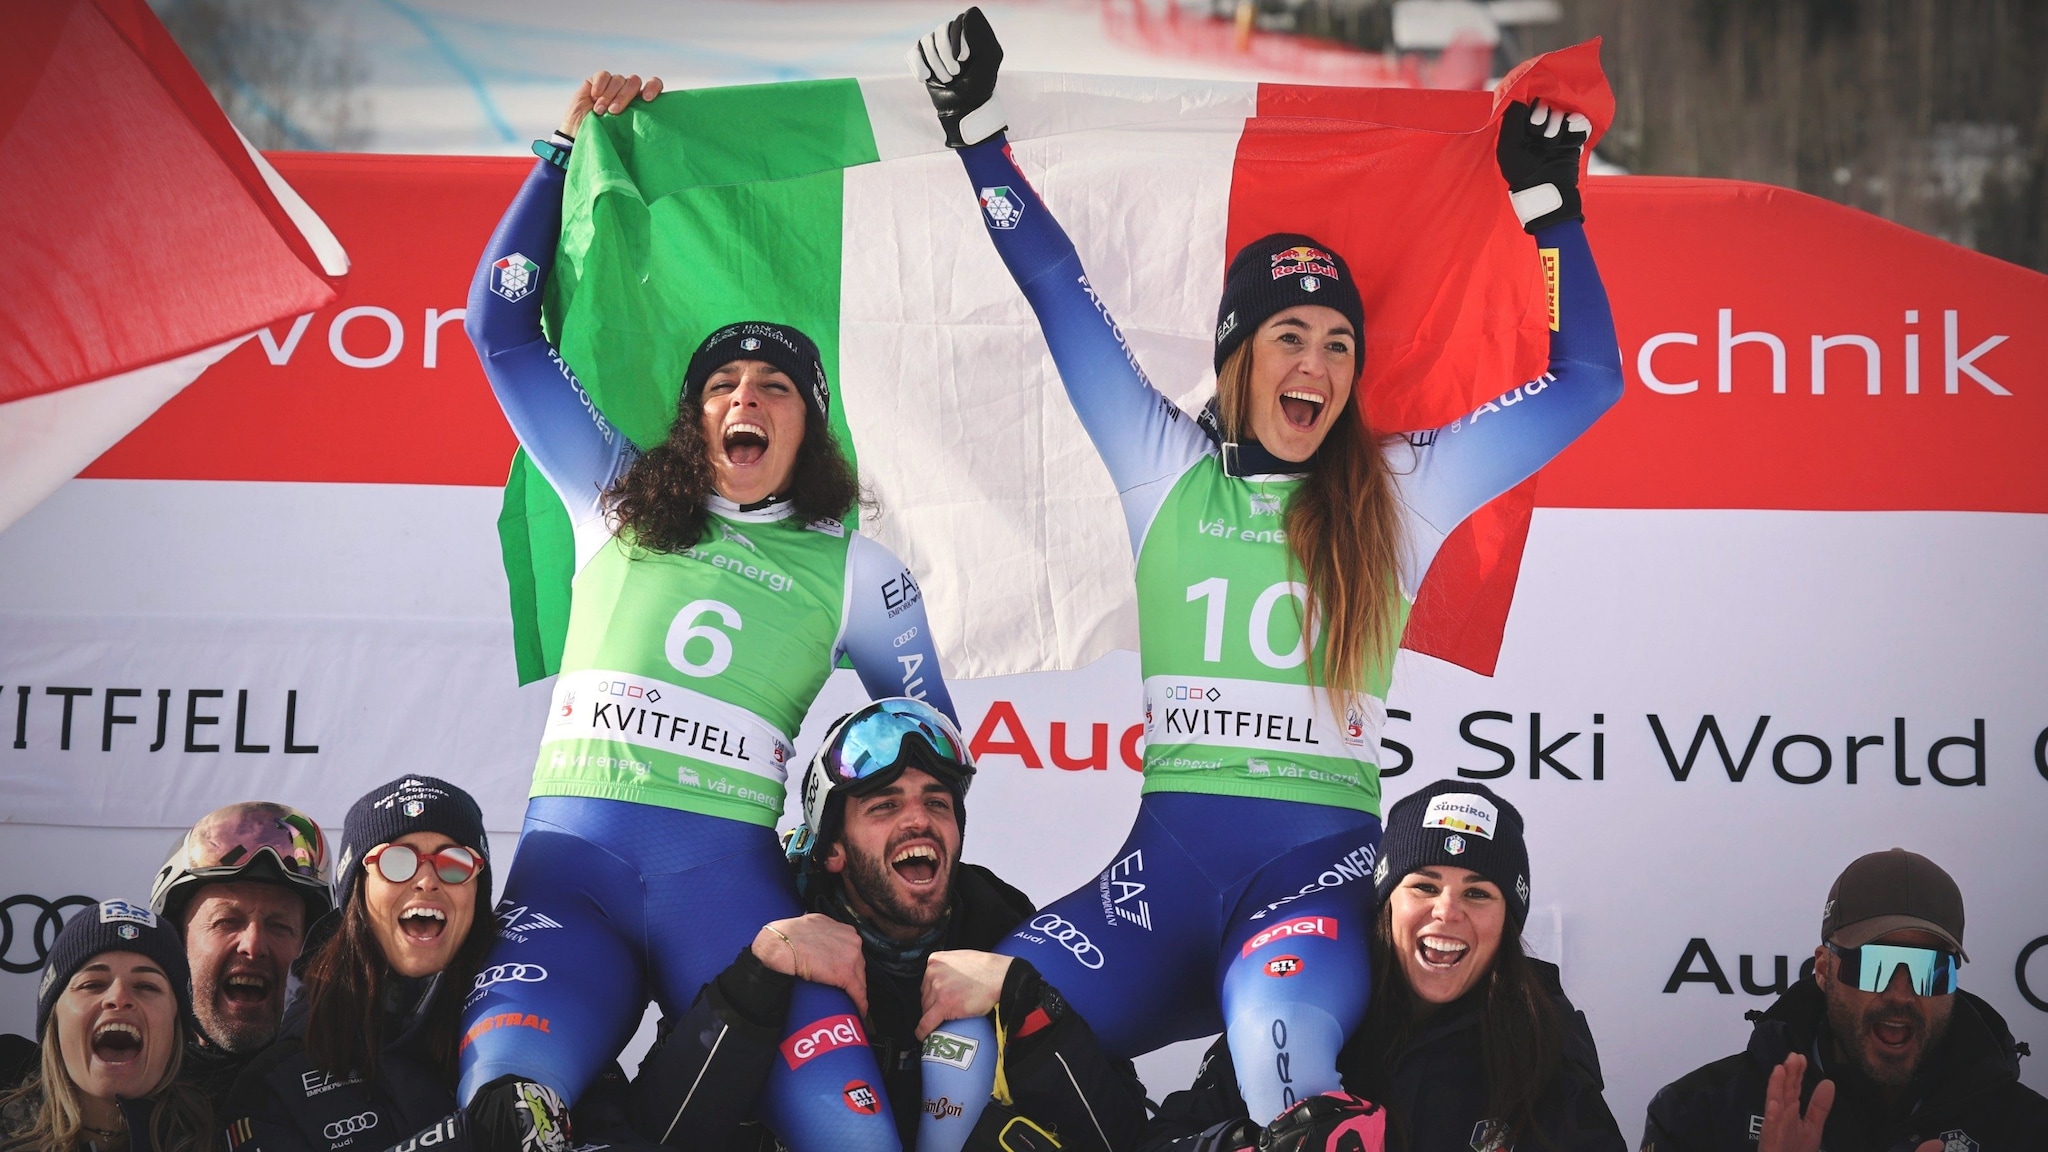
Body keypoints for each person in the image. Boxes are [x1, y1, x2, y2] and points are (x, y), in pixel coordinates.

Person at [912, 7, 1623, 1133]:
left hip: (1313, 885)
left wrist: (1548, 208)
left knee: (1273, 1049)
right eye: (1290, 336)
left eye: (1339, 343)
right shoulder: (1162, 469)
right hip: (1160, 882)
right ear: (1239, 359)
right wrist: (976, 138)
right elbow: (1056, 288)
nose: (1318, 363)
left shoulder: (1401, 490)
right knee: (958, 1023)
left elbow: (1585, 377)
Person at [460, 69, 959, 1150]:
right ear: (695, 423)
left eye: (773, 387)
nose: (745, 398)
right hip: (572, 887)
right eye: (722, 387)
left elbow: (933, 748)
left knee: (856, 1134)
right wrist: (558, 149)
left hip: (729, 904)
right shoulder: (613, 495)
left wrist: (836, 832)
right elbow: (499, 328)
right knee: (504, 1114)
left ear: (808, 430)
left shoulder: (860, 571)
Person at [625, 698, 1145, 1152]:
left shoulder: (998, 919)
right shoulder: (766, 917)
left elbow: (1124, 1135)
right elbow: (658, 1130)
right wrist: (758, 977)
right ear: (833, 850)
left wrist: (1028, 1002)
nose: (918, 820)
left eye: (937, 802)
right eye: (885, 805)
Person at [1143, 782, 1626, 1152]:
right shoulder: (1301, 1002)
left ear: (1508, 919)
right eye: (1424, 886)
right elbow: (1166, 1139)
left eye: (1478, 893)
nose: (1447, 911)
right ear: (1386, 901)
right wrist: (1249, 1142)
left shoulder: (1541, 1037)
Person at [1641, 848, 2048, 1152]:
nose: (1900, 995)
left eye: (1929, 971)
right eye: (1875, 964)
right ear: (1823, 969)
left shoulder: (2027, 1130)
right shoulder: (1700, 1113)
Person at [148, 803, 335, 1112]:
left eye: (279, 926)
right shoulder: (123, 1094)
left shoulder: (351, 1089)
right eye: (227, 922)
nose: (253, 945)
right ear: (178, 943)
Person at [1, 899, 215, 1152]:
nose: (119, 998)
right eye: (92, 984)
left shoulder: (223, 1137)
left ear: (175, 1027)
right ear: (54, 1019)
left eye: (146, 986)